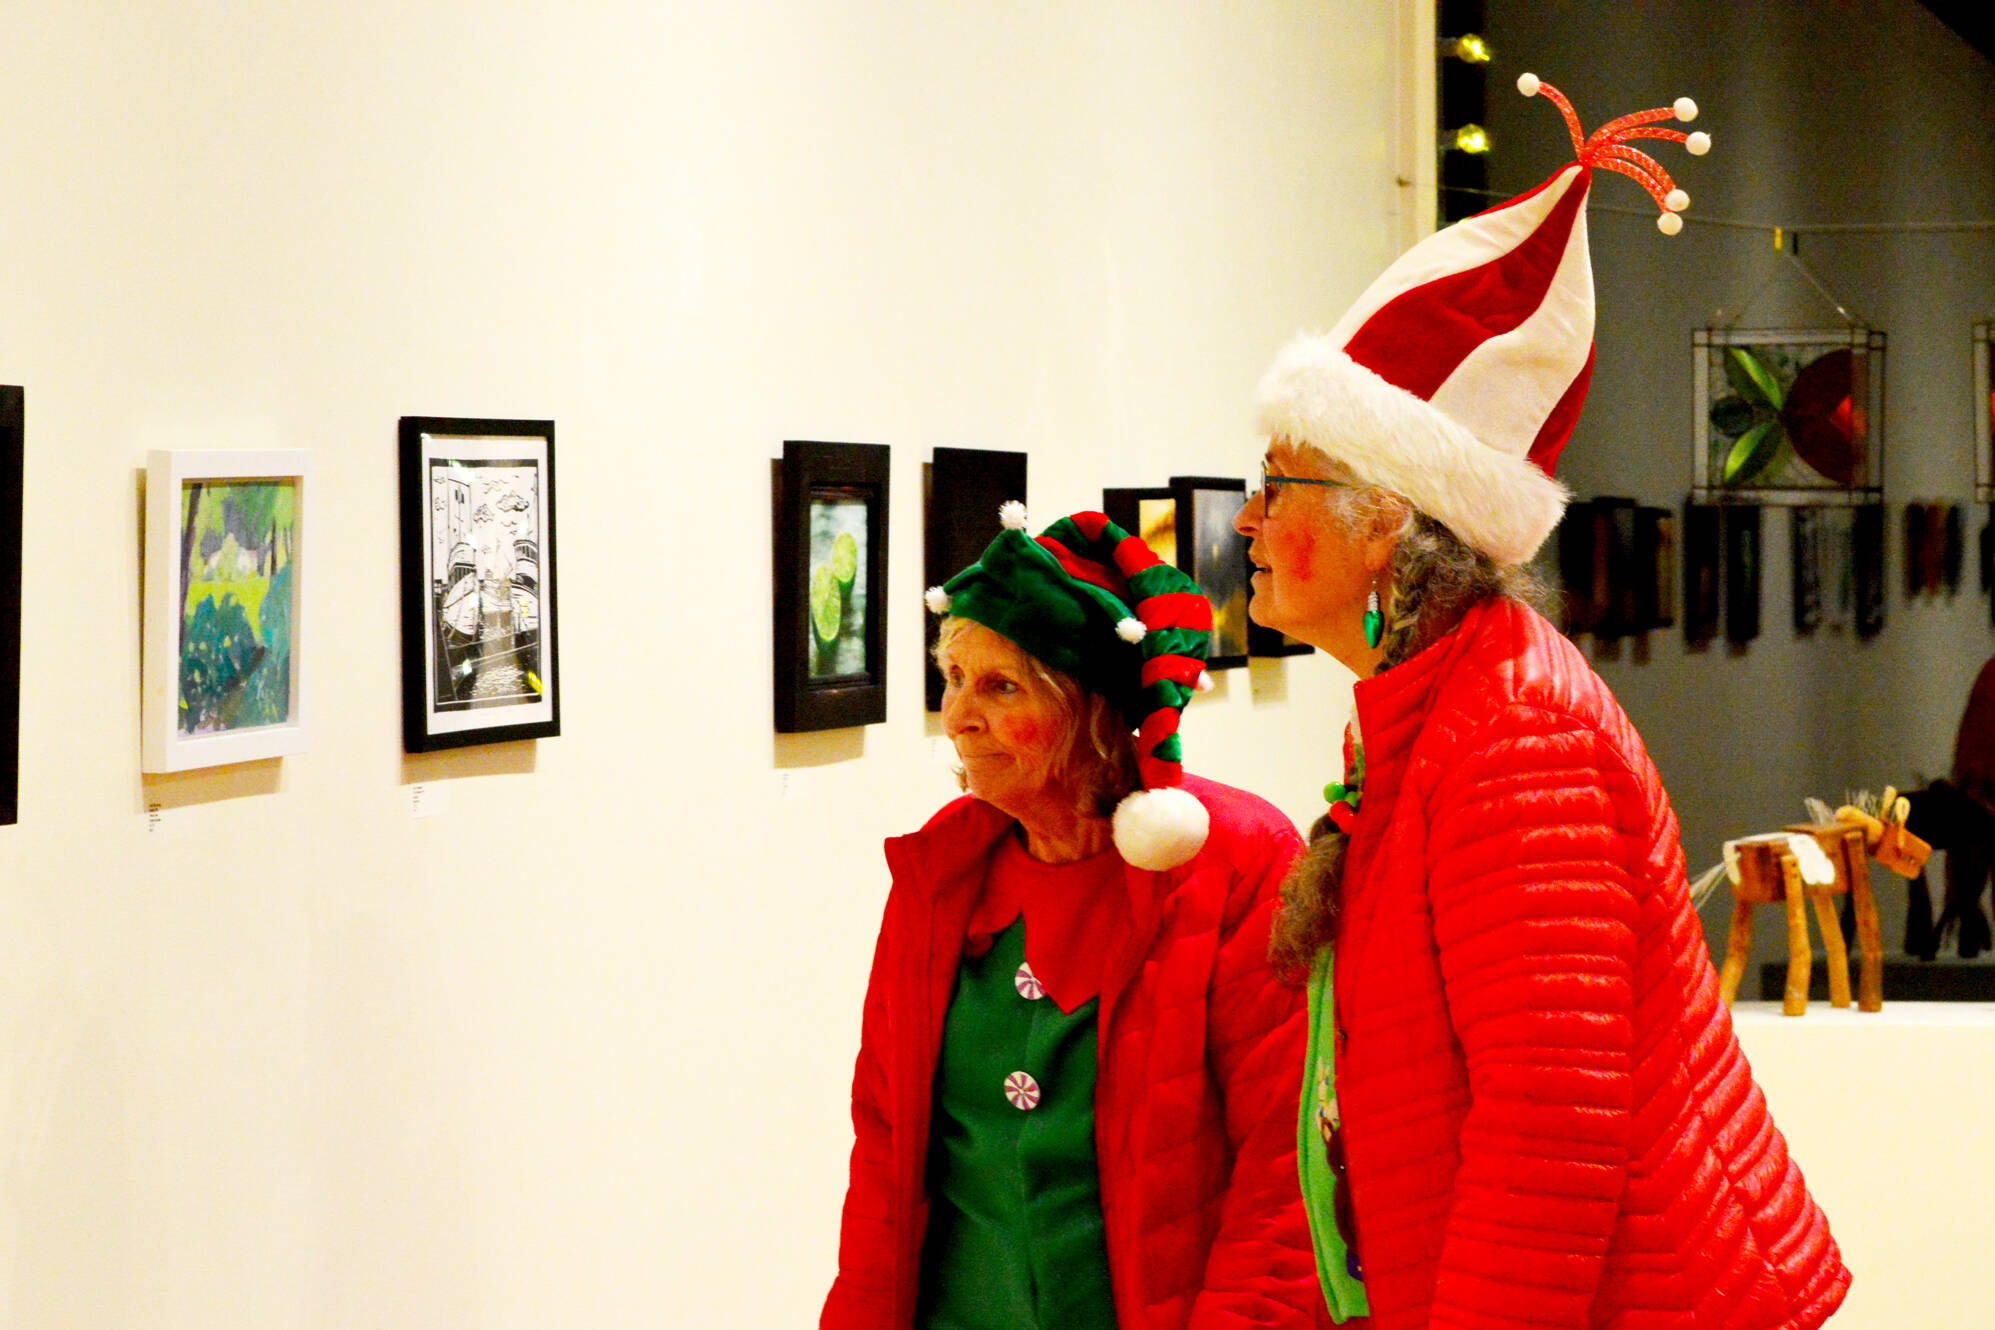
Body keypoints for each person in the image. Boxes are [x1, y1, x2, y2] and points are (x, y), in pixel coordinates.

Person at [1233, 75, 1849, 1330]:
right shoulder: (1429, 704)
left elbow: (1549, 1137)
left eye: (1281, 482)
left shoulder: (1513, 738)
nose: (1247, 517)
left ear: (1384, 523)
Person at [820, 505, 1322, 1330]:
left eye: (1000, 687)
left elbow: (1284, 1171)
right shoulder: (939, 875)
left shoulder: (1235, 861)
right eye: (953, 680)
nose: (958, 717)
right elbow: (883, 1153)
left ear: (1090, 708)